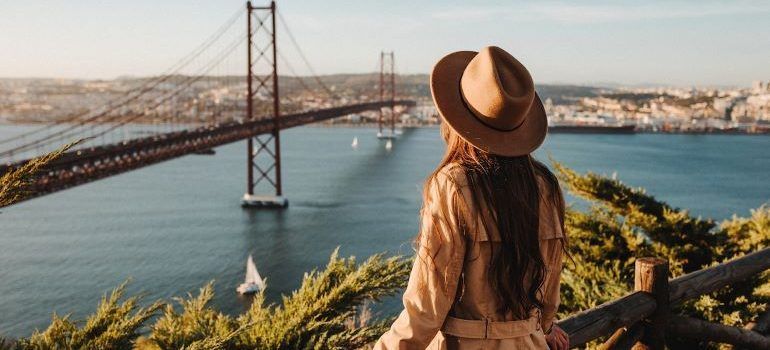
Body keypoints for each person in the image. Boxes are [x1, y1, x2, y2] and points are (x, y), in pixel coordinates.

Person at [374, 46, 569, 350]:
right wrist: (542, 327)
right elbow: (549, 289)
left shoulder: (453, 184)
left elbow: (428, 304)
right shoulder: (545, 185)